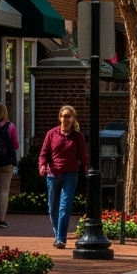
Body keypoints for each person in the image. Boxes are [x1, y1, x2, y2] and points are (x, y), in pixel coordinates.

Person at [39, 105, 88, 248]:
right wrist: (42, 166)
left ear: (73, 118)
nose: (65, 119)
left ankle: (61, 239)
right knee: (52, 208)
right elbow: (44, 153)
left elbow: (83, 155)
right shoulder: (51, 134)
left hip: (70, 175)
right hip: (53, 175)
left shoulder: (78, 137)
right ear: (59, 117)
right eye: (63, 116)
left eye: (68, 116)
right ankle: (57, 233)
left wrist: (87, 169)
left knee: (64, 207)